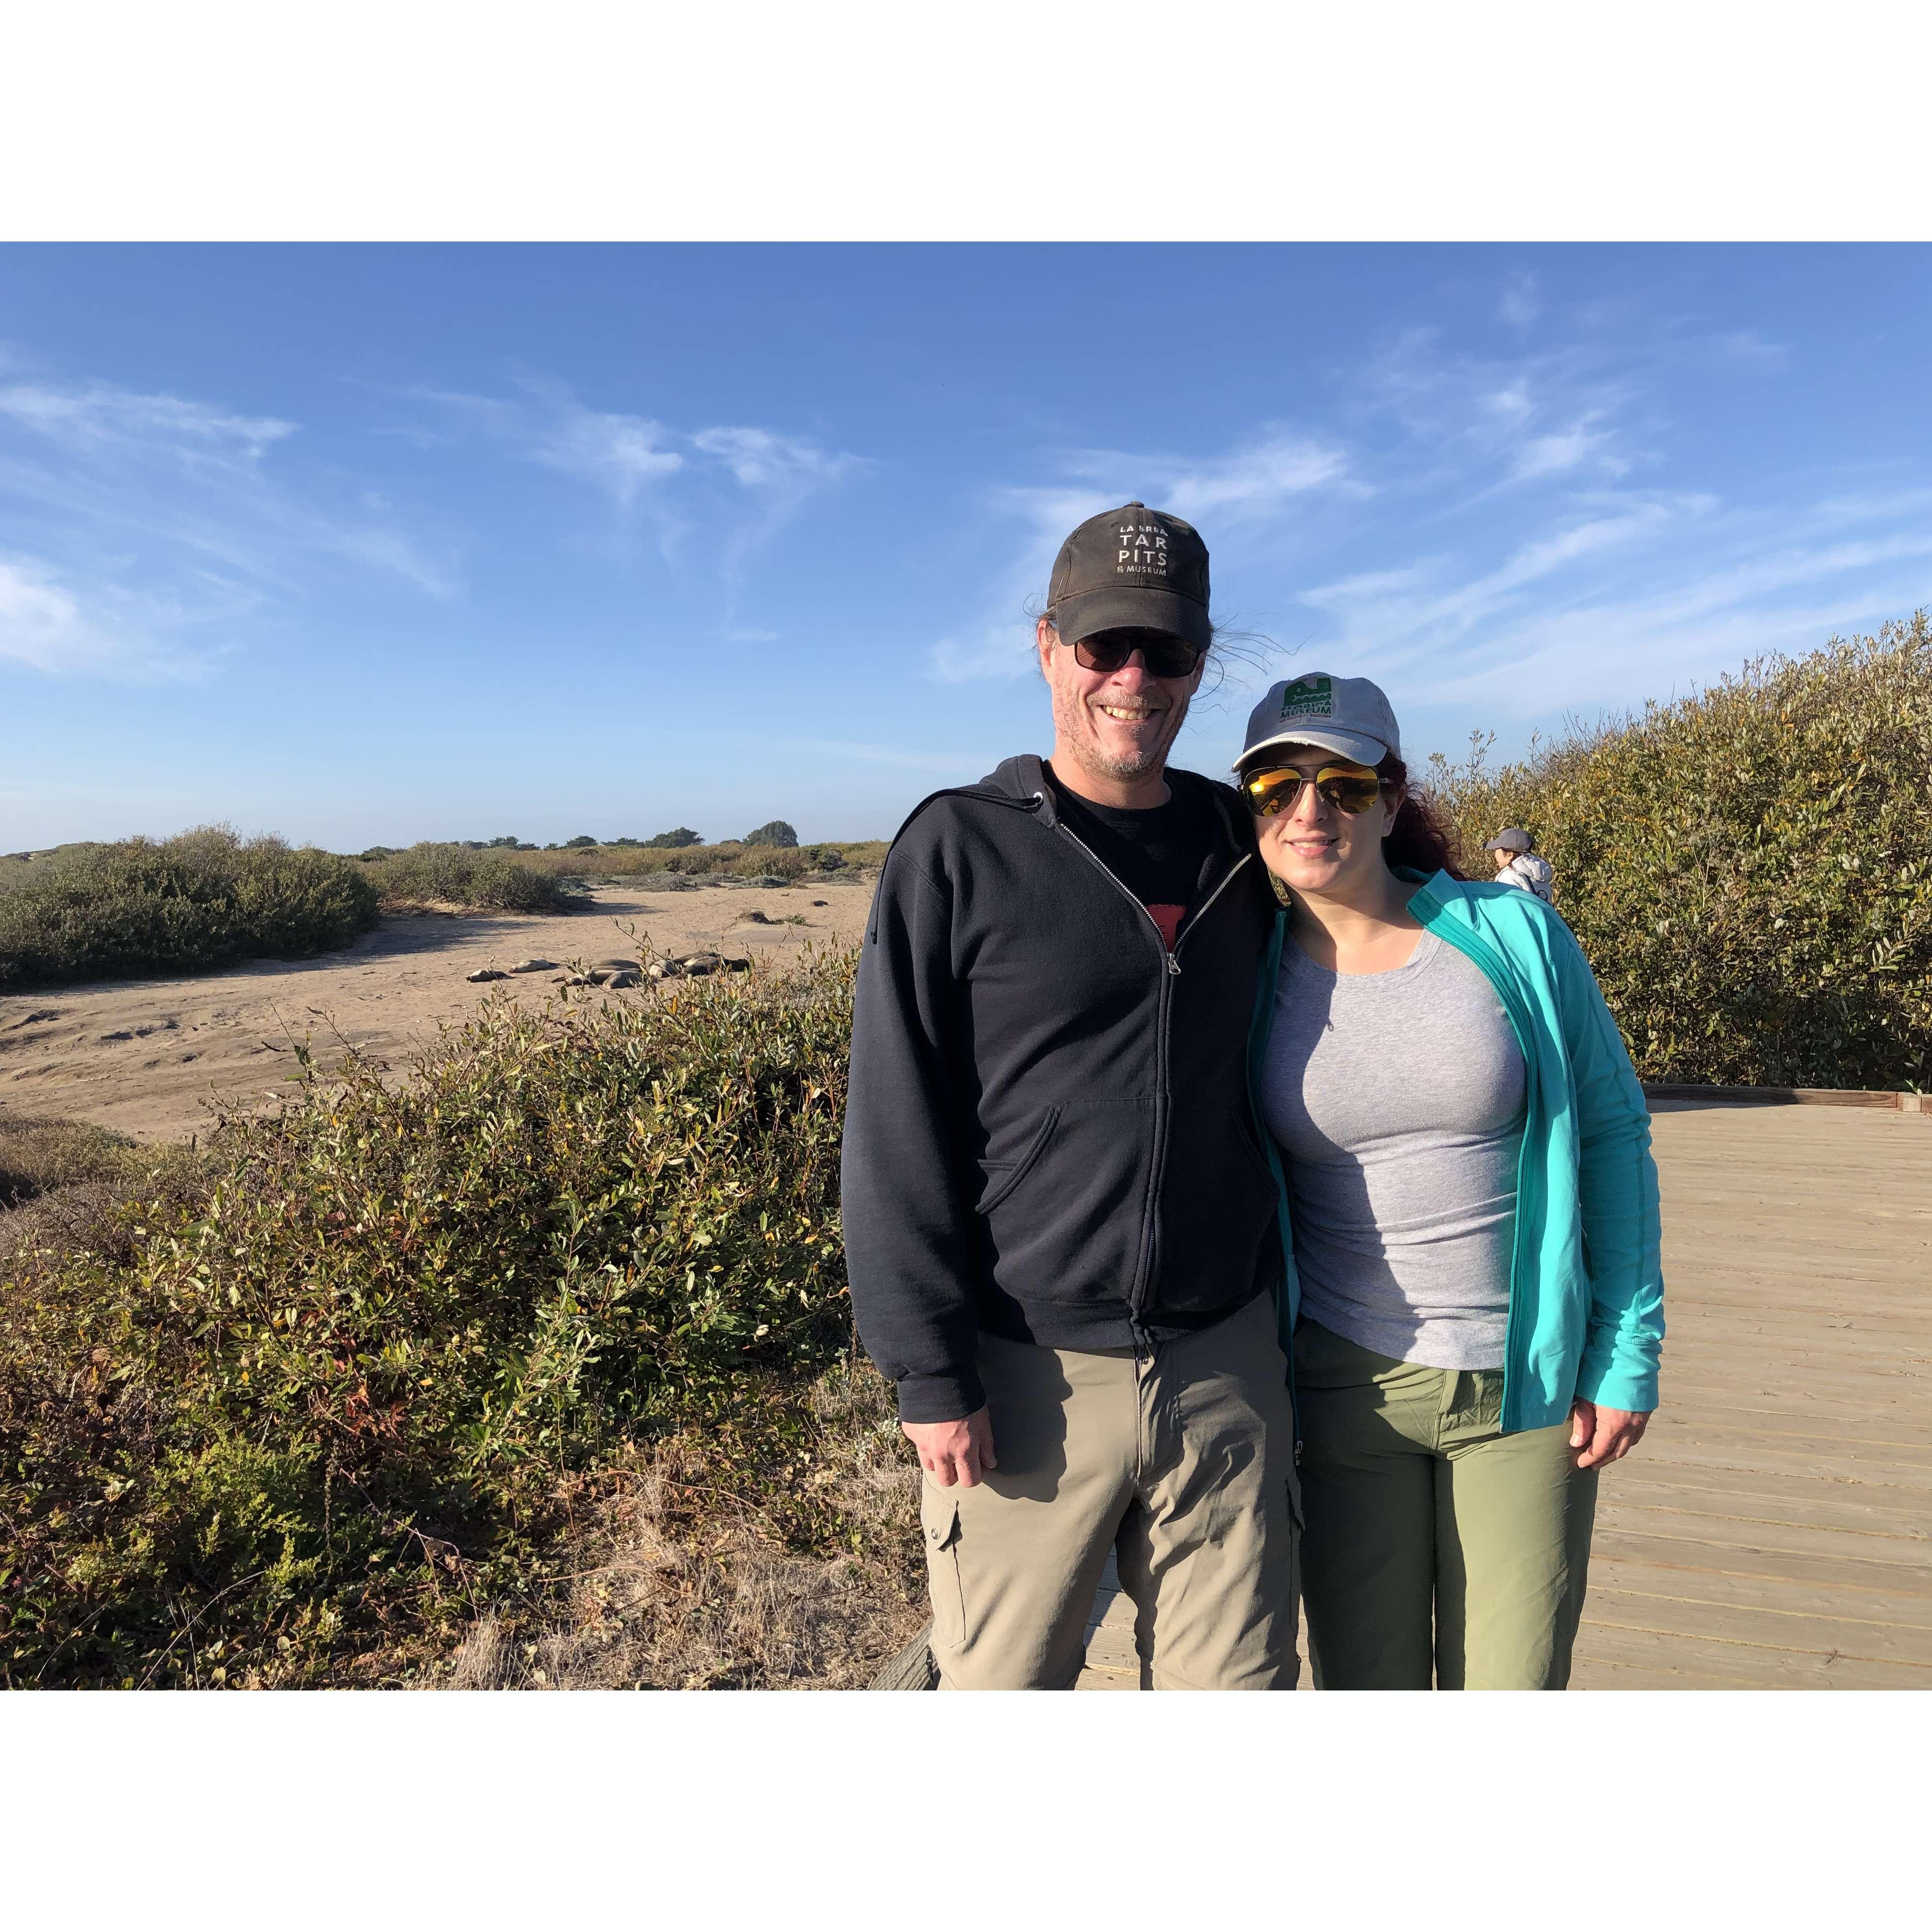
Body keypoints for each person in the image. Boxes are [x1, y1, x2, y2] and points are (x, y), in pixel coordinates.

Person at [841, 501, 1298, 1690]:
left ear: (1202, 662)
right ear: (1047, 646)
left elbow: (1390, 904)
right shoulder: (958, 849)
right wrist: (929, 1375)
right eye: (1105, 646)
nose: (1134, 678)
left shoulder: (1246, 842)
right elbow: (895, 1129)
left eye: (1168, 649)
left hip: (1227, 1365)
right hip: (1023, 1376)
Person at [1234, 671, 1663, 1690]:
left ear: (1390, 798)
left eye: (1342, 783)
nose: (1309, 811)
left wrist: (1627, 1350)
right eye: (1275, 787)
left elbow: (1611, 1134)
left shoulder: (1512, 936)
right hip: (1344, 1392)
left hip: (1527, 1385)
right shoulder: (1241, 969)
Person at [1486, 825, 1555, 904]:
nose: (1495, 855)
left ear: (1510, 855)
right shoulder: (1539, 872)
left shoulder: (1510, 878)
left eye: (1497, 849)